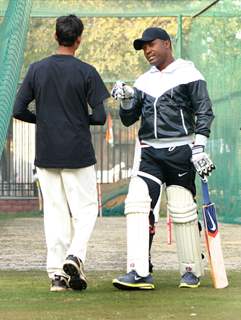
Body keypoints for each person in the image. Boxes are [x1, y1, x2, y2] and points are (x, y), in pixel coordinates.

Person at [111, 27, 215, 290]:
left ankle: (191, 269)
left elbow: (204, 112)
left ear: (167, 44)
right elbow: (128, 119)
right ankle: (139, 271)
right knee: (137, 204)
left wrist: (200, 148)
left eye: (151, 45)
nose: (147, 51)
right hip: (149, 153)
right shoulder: (143, 81)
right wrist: (126, 99)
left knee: (182, 209)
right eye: (143, 47)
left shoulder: (188, 73)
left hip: (181, 151)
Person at [13, 15, 110, 292]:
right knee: (86, 210)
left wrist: (44, 120)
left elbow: (19, 110)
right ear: (79, 39)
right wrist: (79, 119)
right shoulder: (87, 71)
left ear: (56, 37)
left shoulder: (36, 69)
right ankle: (75, 256)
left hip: (47, 153)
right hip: (77, 152)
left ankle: (57, 276)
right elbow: (101, 116)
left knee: (54, 214)